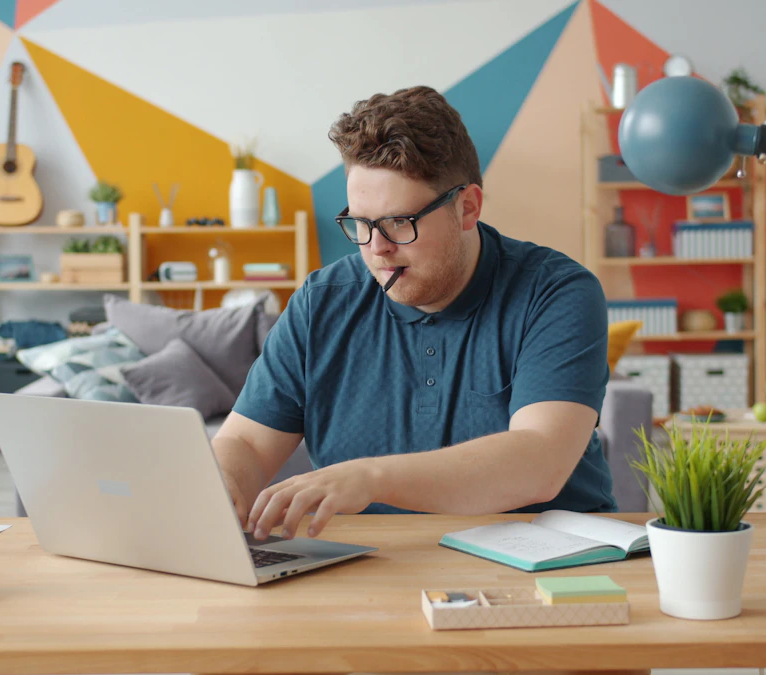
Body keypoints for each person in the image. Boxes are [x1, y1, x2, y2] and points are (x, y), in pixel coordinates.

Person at [212, 85, 613, 542]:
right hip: (371, 565)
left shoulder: (557, 292)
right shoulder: (320, 301)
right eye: (360, 224)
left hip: (548, 564)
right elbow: (244, 442)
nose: (376, 248)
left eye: (399, 222)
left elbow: (539, 461)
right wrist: (222, 483)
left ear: (467, 208)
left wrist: (370, 479)